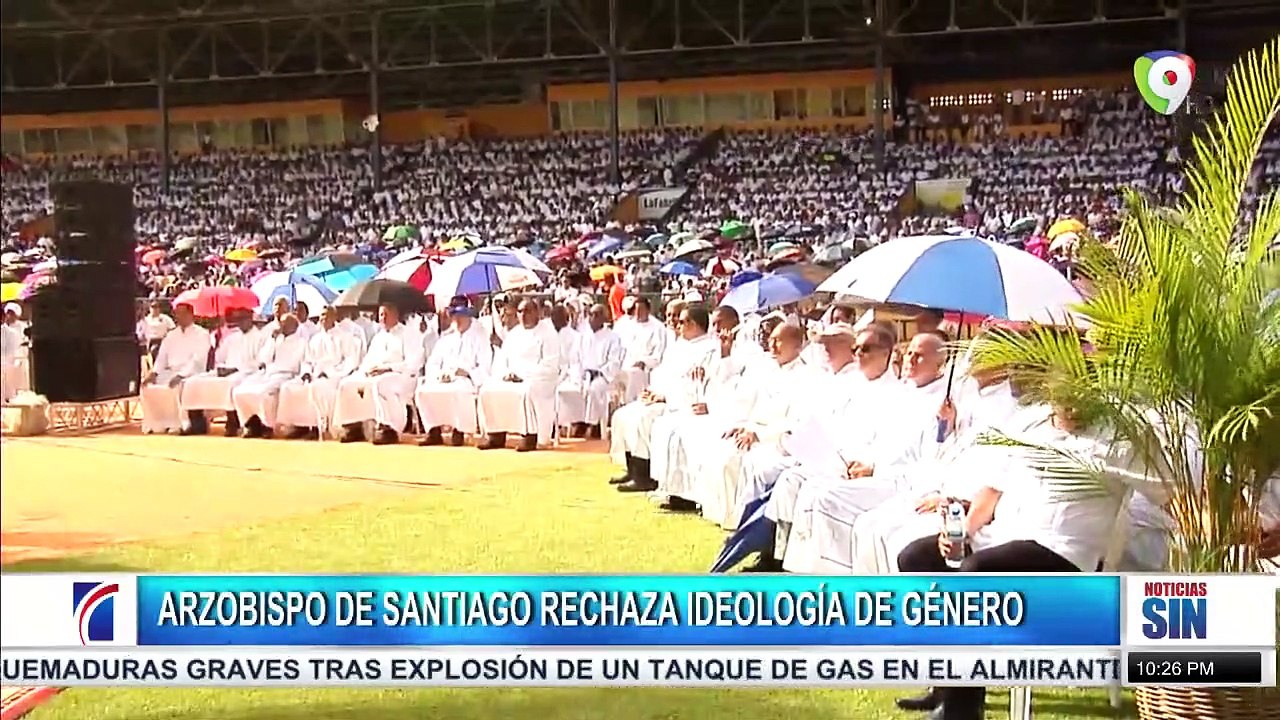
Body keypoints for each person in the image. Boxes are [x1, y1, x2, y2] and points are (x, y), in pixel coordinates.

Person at [893, 396, 1131, 720]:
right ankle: (947, 685)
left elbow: (1168, 491)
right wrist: (960, 535)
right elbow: (992, 490)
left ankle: (962, 709)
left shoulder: (1117, 435)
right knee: (917, 557)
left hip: (1063, 553)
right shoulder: (1031, 422)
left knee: (977, 571)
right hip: (1003, 535)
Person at [686, 322, 810, 528]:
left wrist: (757, 434)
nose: (772, 345)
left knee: (737, 461)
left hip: (776, 441)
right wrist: (742, 425)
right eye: (771, 340)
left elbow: (795, 421)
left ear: (796, 345)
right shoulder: (767, 369)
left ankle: (742, 522)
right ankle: (725, 516)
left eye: (779, 341)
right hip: (752, 431)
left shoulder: (805, 377)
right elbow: (745, 401)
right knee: (718, 452)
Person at [649, 306, 756, 509]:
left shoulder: (747, 349)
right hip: (710, 406)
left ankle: (691, 498)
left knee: (684, 434)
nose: (714, 328)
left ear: (733, 322)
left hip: (729, 413)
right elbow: (714, 379)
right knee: (671, 431)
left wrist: (711, 405)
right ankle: (676, 492)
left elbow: (737, 387)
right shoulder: (716, 347)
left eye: (718, 323)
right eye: (713, 323)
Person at [610, 305, 717, 492]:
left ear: (694, 324)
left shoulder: (709, 350)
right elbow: (662, 374)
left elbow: (694, 384)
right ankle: (632, 469)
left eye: (682, 321)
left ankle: (644, 477)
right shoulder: (678, 346)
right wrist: (651, 391)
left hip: (679, 403)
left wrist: (664, 397)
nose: (677, 325)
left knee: (642, 418)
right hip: (661, 397)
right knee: (623, 415)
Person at [476, 299, 562, 451]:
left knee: (526, 392)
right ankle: (496, 434)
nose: (524, 315)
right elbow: (503, 360)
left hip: (538, 379)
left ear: (538, 313)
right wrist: (506, 374)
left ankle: (529, 436)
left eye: (528, 311)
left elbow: (550, 365)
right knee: (487, 389)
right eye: (520, 312)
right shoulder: (514, 333)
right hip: (512, 377)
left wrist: (522, 375)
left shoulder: (548, 334)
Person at [333, 303, 425, 445]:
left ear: (396, 315)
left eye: (386, 314)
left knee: (380, 385)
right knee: (347, 384)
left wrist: (387, 368)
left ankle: (389, 429)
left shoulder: (408, 334)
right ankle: (353, 426)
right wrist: (366, 371)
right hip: (376, 374)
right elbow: (367, 361)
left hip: (401, 376)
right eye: (381, 314)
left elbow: (414, 362)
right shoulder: (378, 337)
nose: (383, 318)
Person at [276, 306, 365, 440]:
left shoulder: (345, 337)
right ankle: (297, 426)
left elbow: (350, 362)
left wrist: (329, 373)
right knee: (288, 388)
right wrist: (306, 372)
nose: (323, 319)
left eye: (326, 315)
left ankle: (319, 427)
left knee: (317, 388)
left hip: (334, 377)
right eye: (321, 316)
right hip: (313, 375)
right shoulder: (315, 339)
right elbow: (307, 361)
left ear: (334, 318)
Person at [179, 308, 268, 436]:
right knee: (192, 383)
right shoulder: (232, 338)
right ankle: (197, 424)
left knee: (232, 384)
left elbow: (259, 362)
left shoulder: (260, 338)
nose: (240, 322)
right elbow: (219, 357)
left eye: (243, 319)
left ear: (250, 319)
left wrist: (235, 369)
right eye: (239, 319)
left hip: (246, 373)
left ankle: (233, 424)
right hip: (225, 370)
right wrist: (221, 364)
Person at [415, 305, 492, 446]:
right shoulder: (446, 339)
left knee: (458, 391)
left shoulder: (480, 338)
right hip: (444, 378)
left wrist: (468, 373)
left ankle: (459, 430)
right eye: (454, 316)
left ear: (468, 317)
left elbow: (484, 366)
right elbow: (432, 363)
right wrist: (439, 375)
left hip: (465, 379)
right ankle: (433, 431)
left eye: (460, 316)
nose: (457, 319)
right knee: (423, 391)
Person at [231, 313, 308, 438]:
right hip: (267, 373)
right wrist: (272, 340)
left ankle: (267, 426)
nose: (281, 326)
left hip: (286, 375)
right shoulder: (275, 339)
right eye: (281, 323)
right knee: (239, 391)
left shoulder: (301, 342)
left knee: (264, 393)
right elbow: (264, 358)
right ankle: (251, 424)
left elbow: (301, 363)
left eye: (285, 323)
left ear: (294, 326)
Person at [139, 303, 210, 434]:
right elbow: (162, 357)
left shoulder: (202, 334)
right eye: (177, 314)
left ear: (191, 315)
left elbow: (198, 360)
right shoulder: (171, 335)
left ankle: (181, 424)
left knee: (177, 386)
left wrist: (181, 375)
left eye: (183, 313)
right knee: (146, 387)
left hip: (192, 373)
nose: (179, 317)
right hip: (171, 372)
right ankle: (157, 423)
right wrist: (154, 373)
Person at [561, 303, 624, 439]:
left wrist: (599, 373)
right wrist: (579, 375)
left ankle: (593, 424)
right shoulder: (581, 336)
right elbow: (574, 359)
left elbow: (614, 361)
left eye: (597, 315)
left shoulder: (613, 338)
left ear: (604, 318)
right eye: (591, 314)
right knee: (569, 389)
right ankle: (576, 421)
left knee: (594, 390)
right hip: (582, 375)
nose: (593, 318)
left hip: (601, 376)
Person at [618, 297, 667, 403]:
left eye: (641, 310)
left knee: (633, 375)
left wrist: (644, 362)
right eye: (636, 310)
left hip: (644, 367)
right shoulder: (626, 325)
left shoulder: (658, 327)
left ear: (648, 310)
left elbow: (658, 353)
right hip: (624, 363)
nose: (638, 313)